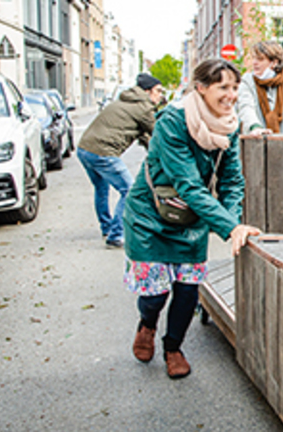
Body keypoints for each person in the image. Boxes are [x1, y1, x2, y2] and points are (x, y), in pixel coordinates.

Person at [123, 59, 262, 379]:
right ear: (201, 88)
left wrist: (234, 222)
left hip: (191, 219)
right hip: (151, 217)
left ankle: (173, 347)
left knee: (187, 291)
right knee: (155, 294)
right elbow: (188, 185)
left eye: (235, 87)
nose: (231, 94)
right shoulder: (173, 121)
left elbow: (231, 181)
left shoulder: (229, 123)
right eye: (223, 87)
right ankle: (147, 323)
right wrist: (229, 228)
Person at [77, 73, 164, 248]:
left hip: (84, 149)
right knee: (129, 190)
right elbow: (157, 134)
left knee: (101, 190)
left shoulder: (126, 101)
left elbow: (144, 136)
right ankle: (116, 235)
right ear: (147, 91)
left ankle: (107, 228)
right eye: (158, 91)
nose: (161, 95)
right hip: (103, 152)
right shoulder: (143, 108)